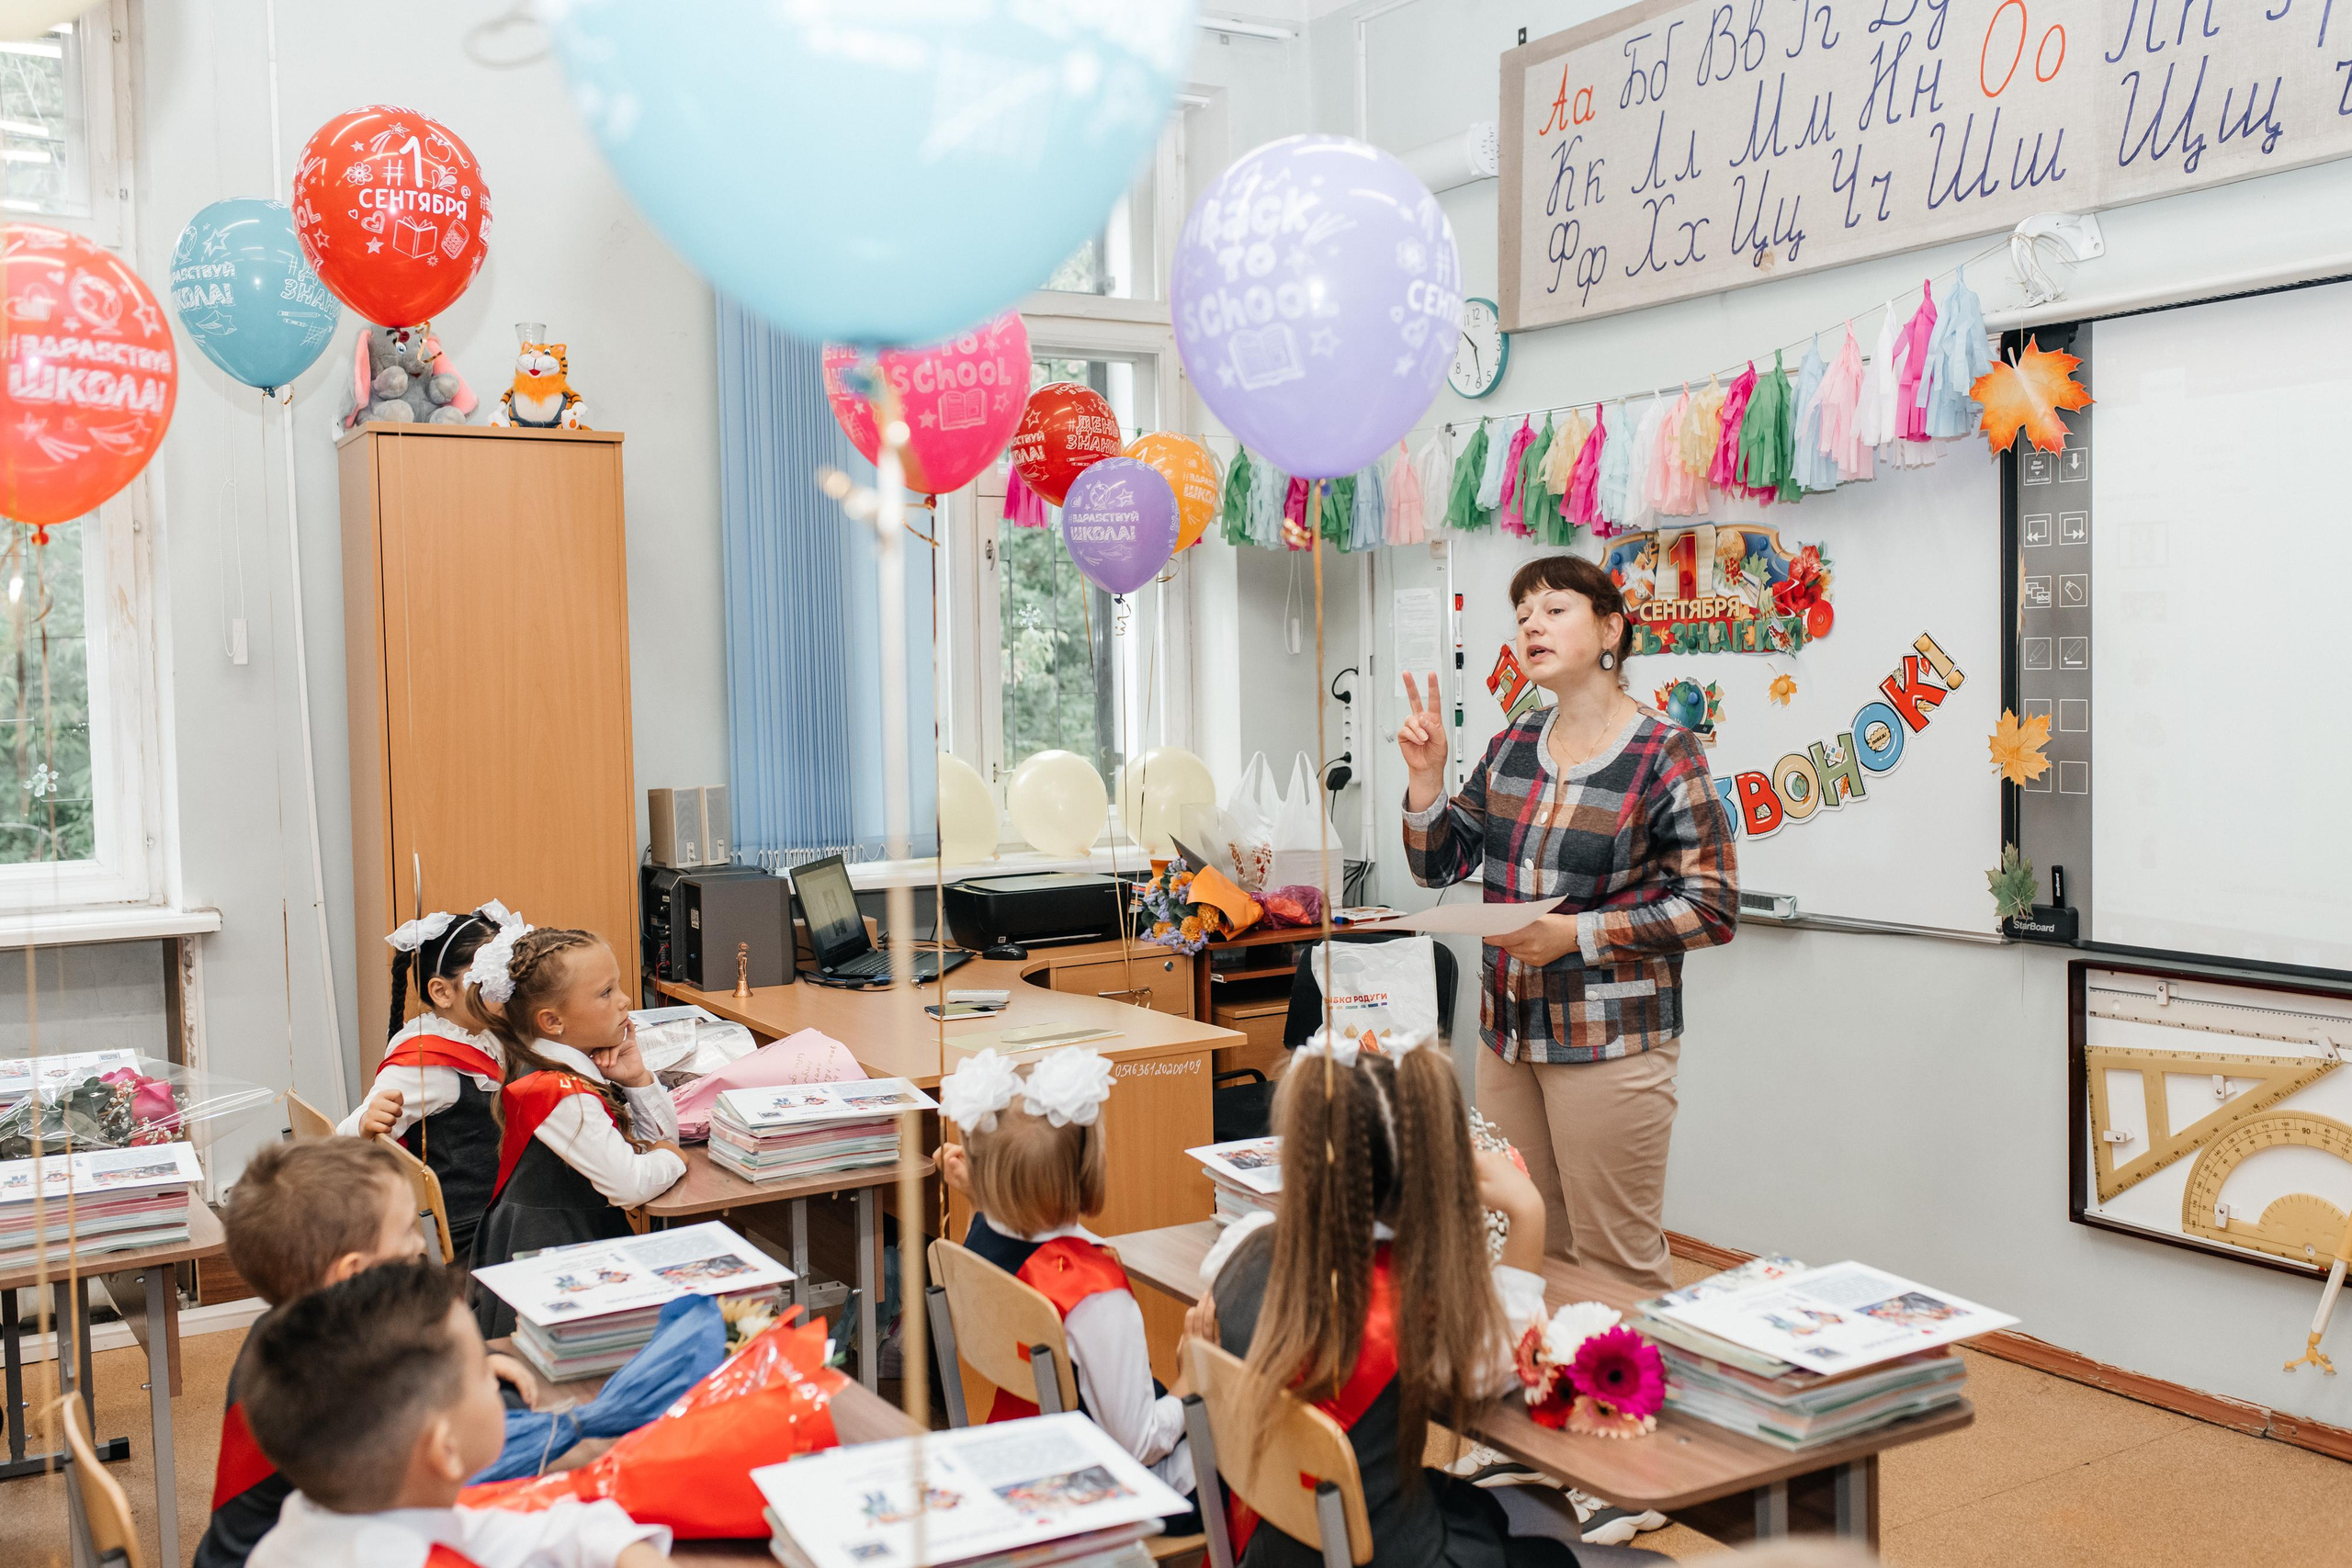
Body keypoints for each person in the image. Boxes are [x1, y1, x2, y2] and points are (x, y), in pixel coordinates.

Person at [1397, 553, 1736, 1292]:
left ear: (1610, 627)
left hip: (1609, 1040)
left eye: (1554, 610)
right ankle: (1542, 1394)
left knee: (1615, 1262)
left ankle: (1637, 1402)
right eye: (1523, 615)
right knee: (1522, 1238)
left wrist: (1575, 936)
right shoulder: (1515, 742)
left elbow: (1710, 906)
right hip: (1507, 1035)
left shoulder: (1665, 754)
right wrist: (1425, 780)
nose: (1532, 626)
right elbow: (1439, 863)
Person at [1193, 1039, 1665, 1566]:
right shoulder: (1417, 1306)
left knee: (1547, 1508)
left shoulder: (1242, 1246)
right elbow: (1502, 1366)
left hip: (1278, 1544)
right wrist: (1527, 1212)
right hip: (1389, 1554)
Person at [197, 1136, 535, 1568]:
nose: (419, 1245)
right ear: (353, 1273)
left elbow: (415, 1349)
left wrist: (478, 1361)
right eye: (408, 1230)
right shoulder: (327, 1378)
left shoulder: (293, 1336)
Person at [242, 1260, 673, 1568]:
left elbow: (531, 1532)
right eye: (481, 1374)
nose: (493, 1380)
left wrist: (620, 1547)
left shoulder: (317, 1515)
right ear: (445, 1450)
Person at [936, 1047, 1198, 1526]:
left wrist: (978, 1189)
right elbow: (1138, 1444)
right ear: (1085, 1166)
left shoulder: (980, 1236)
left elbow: (1024, 1229)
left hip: (1017, 1447)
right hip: (1097, 1485)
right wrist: (1192, 1384)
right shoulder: (1096, 1295)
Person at [471, 927, 686, 1337]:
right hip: (550, 1251)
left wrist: (636, 1077)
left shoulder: (554, 1062)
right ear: (552, 1021)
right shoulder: (558, 1092)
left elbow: (659, 1141)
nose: (624, 1000)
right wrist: (673, 1161)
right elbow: (630, 1184)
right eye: (606, 992)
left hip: (568, 1238)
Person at [338, 903, 517, 1260]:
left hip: (497, 1215)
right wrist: (365, 1122)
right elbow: (341, 1139)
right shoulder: (428, 1062)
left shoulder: (484, 1033)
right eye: (487, 975)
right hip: (472, 1231)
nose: (505, 985)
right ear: (441, 992)